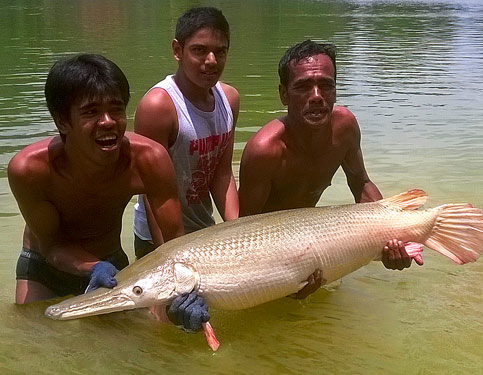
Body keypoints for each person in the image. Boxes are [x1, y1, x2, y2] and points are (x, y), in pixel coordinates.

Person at [8, 54, 207, 331]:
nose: (108, 122)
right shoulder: (30, 170)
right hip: (45, 266)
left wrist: (184, 294)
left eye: (116, 109)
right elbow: (51, 247)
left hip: (112, 268)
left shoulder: (148, 159)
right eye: (91, 112)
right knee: (39, 344)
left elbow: (175, 243)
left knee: (139, 345)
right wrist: (92, 266)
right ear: (63, 122)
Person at [239, 40, 423, 274]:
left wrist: (394, 238)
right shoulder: (265, 151)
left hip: (314, 238)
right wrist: (283, 274)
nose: (316, 96)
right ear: (284, 94)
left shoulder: (345, 127)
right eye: (303, 86)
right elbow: (243, 232)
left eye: (326, 85)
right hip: (271, 249)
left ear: (335, 90)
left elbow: (361, 184)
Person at [133, 7, 239, 259]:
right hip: (158, 236)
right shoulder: (159, 106)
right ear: (177, 50)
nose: (211, 60)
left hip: (203, 229)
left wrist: (237, 230)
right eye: (199, 50)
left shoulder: (229, 99)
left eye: (220, 51)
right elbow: (150, 192)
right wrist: (167, 257)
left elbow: (222, 172)